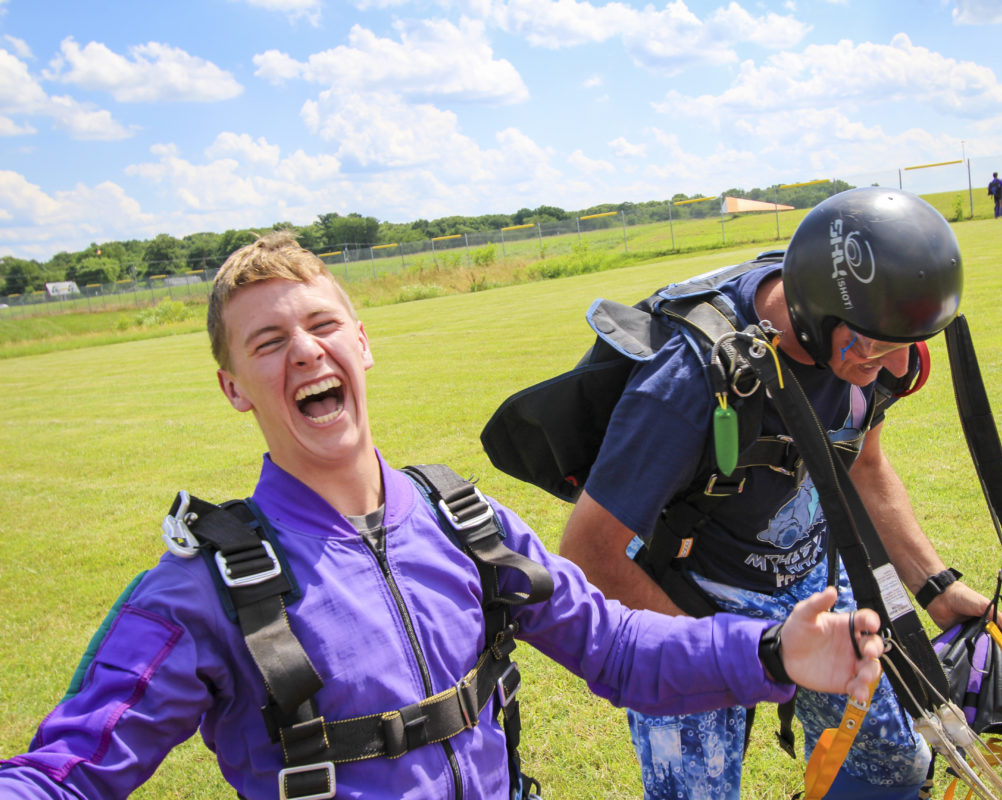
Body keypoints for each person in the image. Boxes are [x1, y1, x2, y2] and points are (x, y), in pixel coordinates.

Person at [0, 232, 884, 799]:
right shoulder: (203, 597)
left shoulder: (465, 524)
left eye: (321, 325)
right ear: (234, 388)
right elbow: (64, 777)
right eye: (268, 343)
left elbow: (614, 646)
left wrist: (772, 651)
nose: (304, 350)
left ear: (361, 343)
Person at [558, 188, 1002, 800]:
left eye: (909, 341)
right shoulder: (689, 381)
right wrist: (731, 655)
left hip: (817, 583)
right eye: (878, 342)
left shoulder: (872, 352)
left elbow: (864, 464)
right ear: (817, 311)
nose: (895, 364)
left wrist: (936, 585)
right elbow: (589, 552)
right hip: (695, 606)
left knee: (894, 767)